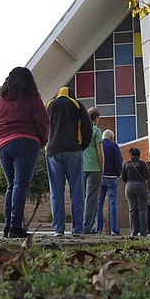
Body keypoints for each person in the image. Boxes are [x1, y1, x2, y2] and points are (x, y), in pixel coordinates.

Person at [0, 67, 49, 238]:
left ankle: (8, 227)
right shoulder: (32, 99)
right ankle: (16, 226)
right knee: (20, 185)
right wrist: (42, 141)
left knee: (11, 185)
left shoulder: (0, 101)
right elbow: (43, 122)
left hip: (3, 144)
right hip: (26, 141)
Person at [45, 86, 93, 237]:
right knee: (77, 191)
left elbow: (44, 128)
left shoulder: (49, 105)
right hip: (73, 150)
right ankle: (77, 229)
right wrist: (82, 146)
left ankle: (58, 229)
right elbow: (87, 128)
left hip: (53, 151)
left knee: (56, 192)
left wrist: (47, 145)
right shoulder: (77, 104)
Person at [95, 129, 122, 235]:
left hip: (100, 176)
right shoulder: (114, 146)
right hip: (112, 177)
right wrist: (118, 173)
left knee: (99, 203)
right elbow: (118, 161)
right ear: (111, 137)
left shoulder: (99, 145)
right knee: (113, 203)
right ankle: (114, 230)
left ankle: (98, 229)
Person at [82, 107, 104, 234]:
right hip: (94, 167)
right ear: (96, 118)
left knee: (82, 197)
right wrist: (102, 168)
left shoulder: (81, 130)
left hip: (81, 167)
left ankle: (79, 226)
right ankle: (87, 227)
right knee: (91, 198)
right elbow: (100, 152)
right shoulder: (96, 130)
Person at [121, 147, 150, 237]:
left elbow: (123, 178)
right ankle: (143, 232)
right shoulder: (142, 163)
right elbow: (146, 176)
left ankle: (133, 231)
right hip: (140, 186)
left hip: (129, 186)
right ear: (139, 155)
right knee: (142, 209)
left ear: (131, 154)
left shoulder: (126, 164)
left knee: (132, 209)